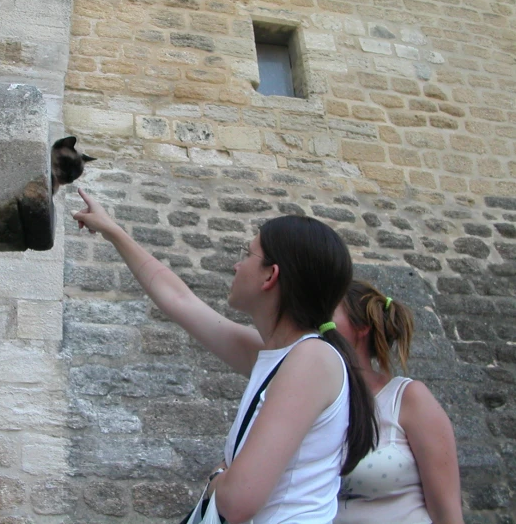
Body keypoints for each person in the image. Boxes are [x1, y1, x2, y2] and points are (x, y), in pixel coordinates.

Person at [72, 188, 378, 523]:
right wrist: (112, 231)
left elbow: (238, 502)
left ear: (270, 275)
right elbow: (179, 300)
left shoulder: (311, 361)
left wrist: (218, 476)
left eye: (247, 254)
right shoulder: (282, 354)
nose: (237, 264)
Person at [333, 280, 464, 524]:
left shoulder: (408, 398)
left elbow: (447, 514)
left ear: (361, 327)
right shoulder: (313, 403)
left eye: (327, 312)